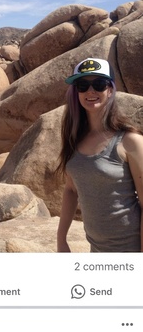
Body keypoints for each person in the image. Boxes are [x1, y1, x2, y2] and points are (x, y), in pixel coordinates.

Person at [56, 57, 143, 253]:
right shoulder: (73, 138)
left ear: (110, 89)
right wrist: (61, 240)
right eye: (82, 85)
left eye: (99, 84)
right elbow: (71, 190)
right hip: (95, 249)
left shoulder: (130, 141)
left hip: (130, 249)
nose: (91, 91)